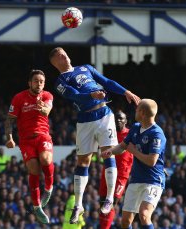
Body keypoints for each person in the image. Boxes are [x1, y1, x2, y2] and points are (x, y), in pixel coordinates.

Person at [49, 47, 140, 224]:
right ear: (55, 63)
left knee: (108, 153)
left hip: (104, 114)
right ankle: (79, 205)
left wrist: (125, 91)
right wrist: (92, 94)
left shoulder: (86, 68)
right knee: (83, 162)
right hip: (85, 120)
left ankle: (109, 199)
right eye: (59, 55)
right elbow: (73, 95)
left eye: (65, 53)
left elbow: (106, 81)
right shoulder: (60, 81)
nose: (64, 55)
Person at [101, 99, 166, 229]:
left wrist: (133, 151)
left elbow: (152, 161)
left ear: (142, 112)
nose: (135, 111)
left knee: (144, 214)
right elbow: (123, 146)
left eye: (137, 109)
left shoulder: (157, 134)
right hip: (136, 179)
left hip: (153, 180)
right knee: (125, 221)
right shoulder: (136, 127)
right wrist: (110, 151)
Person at [5, 69, 54, 224]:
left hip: (42, 136)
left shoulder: (47, 96)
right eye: (36, 81)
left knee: (45, 160)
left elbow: (47, 110)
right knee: (33, 169)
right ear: (29, 83)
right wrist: (9, 138)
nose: (39, 84)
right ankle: (37, 206)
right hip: (25, 140)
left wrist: (43, 108)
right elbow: (9, 120)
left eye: (41, 81)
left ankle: (48, 187)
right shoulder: (19, 98)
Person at [98, 111, 133, 229]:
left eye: (121, 119)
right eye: (116, 119)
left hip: (122, 174)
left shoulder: (131, 134)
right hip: (107, 170)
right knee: (102, 202)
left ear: (126, 121)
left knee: (112, 202)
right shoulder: (108, 133)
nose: (118, 121)